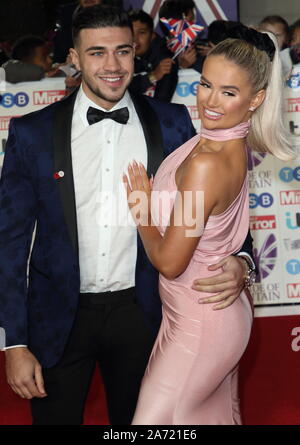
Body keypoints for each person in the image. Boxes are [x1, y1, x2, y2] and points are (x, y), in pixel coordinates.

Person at [0, 5, 255, 426]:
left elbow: (215, 204)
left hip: (147, 315)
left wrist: (241, 261)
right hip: (58, 318)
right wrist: (14, 343)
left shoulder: (173, 123)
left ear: (137, 52)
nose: (113, 66)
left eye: (123, 50)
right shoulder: (32, 133)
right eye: (97, 53)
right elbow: (9, 243)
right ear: (75, 58)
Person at [124, 24, 295, 425]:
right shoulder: (213, 140)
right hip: (195, 314)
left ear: (256, 100)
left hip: (201, 322)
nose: (210, 101)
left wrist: (142, 210)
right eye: (205, 84)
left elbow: (170, 262)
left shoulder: (207, 161)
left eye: (228, 92)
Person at [128, 9, 178, 102]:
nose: (135, 39)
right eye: (130, 33)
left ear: (152, 36)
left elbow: (162, 102)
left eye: (142, 32)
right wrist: (152, 76)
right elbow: (114, 89)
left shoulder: (163, 56)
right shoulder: (114, 55)